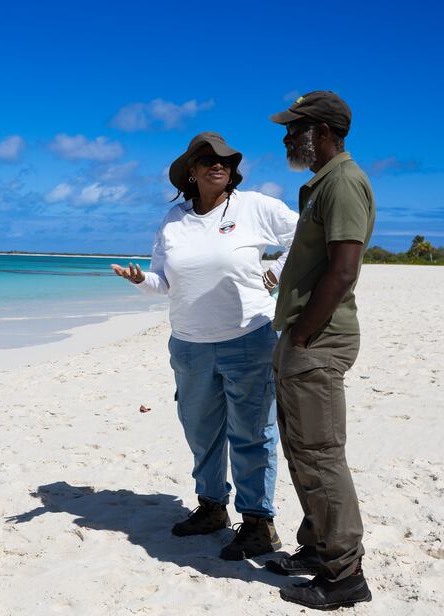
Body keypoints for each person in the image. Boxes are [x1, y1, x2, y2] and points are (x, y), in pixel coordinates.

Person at [112, 132, 298, 560]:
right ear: (191, 172)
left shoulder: (255, 206)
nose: (220, 165)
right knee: (201, 432)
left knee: (252, 434)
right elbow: (164, 282)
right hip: (189, 344)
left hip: (248, 337)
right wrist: (142, 281)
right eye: (208, 159)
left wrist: (278, 272)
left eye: (227, 160)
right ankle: (212, 508)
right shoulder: (173, 220)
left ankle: (257, 524)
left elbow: (306, 233)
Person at [266, 91, 375, 610]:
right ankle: (315, 547)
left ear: (323, 131)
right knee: (301, 450)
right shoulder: (322, 184)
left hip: (319, 339)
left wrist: (305, 333)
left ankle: (344, 572)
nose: (287, 138)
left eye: (295, 129)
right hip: (301, 335)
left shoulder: (344, 183)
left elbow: (344, 269)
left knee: (320, 455)